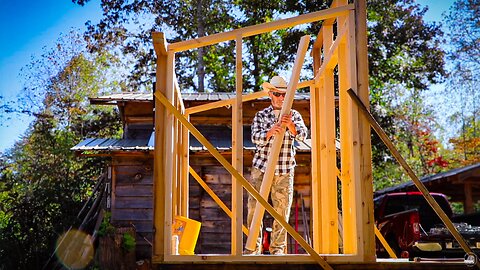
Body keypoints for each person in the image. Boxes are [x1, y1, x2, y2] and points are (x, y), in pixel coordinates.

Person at [245, 75, 308, 255]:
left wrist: (291, 127)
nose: (281, 98)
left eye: (284, 95)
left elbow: (303, 135)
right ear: (270, 95)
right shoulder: (261, 115)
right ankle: (253, 248)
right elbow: (255, 138)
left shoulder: (294, 115)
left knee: (282, 211)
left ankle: (277, 249)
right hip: (261, 168)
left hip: (284, 169)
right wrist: (271, 131)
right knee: (254, 208)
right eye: (277, 94)